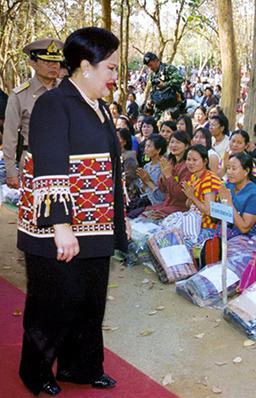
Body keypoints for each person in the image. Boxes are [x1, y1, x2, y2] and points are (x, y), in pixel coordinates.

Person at [17, 27, 125, 395]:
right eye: (110, 68)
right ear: (85, 66)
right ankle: (36, 372)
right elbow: (50, 164)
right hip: (58, 229)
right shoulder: (54, 103)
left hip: (96, 225)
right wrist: (61, 224)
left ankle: (81, 366)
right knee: (53, 303)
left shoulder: (100, 106)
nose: (115, 76)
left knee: (89, 301)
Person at [4, 38, 63, 189]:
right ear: (33, 63)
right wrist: (11, 171)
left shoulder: (67, 91)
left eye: (56, 62)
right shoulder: (19, 95)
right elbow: (10, 136)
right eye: (47, 62)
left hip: (64, 158)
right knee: (34, 209)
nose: (53, 66)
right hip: (33, 159)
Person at [141, 131, 192, 219]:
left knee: (150, 215)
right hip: (168, 203)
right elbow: (162, 188)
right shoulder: (170, 162)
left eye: (178, 142)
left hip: (181, 206)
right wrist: (164, 176)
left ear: (186, 146)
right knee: (144, 212)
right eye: (172, 142)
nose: (174, 145)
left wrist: (168, 176)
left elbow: (180, 194)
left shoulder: (188, 166)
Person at [218, 153, 256, 237]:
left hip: (252, 238)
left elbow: (244, 228)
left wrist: (229, 203)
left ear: (246, 171)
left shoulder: (255, 194)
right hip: (230, 232)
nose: (229, 172)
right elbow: (217, 217)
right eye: (228, 168)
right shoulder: (228, 186)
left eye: (234, 169)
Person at [180, 145, 223, 230]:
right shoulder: (193, 177)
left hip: (208, 227)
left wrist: (192, 197)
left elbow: (208, 211)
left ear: (205, 161)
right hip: (194, 223)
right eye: (188, 159)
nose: (190, 163)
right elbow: (188, 205)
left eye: (195, 160)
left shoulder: (210, 179)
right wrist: (190, 197)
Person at [143, 52, 184, 117]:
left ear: (156, 61)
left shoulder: (168, 68)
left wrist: (165, 84)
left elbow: (180, 79)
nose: (150, 68)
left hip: (173, 105)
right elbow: (154, 90)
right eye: (148, 66)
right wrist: (151, 100)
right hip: (159, 106)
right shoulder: (152, 75)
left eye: (151, 65)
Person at [134, 134, 168, 211]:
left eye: (149, 146)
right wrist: (144, 182)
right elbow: (142, 189)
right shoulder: (146, 166)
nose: (145, 149)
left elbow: (161, 197)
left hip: (158, 205)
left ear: (158, 150)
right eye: (146, 146)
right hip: (145, 202)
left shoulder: (163, 167)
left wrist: (148, 181)